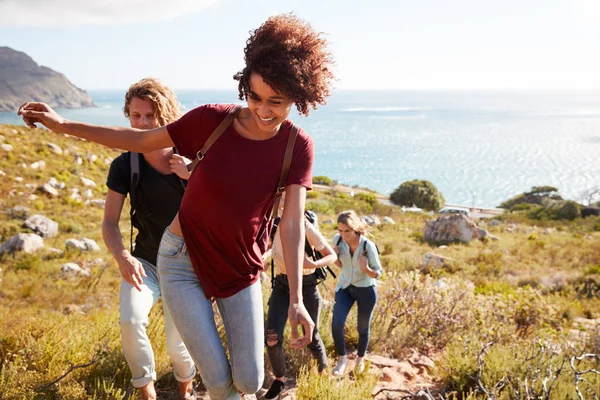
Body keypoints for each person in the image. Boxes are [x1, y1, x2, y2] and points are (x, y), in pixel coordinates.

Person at [19, 13, 335, 400]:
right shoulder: (211, 122)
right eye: (254, 97)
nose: (263, 111)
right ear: (243, 86)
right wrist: (64, 124)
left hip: (240, 266)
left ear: (298, 98)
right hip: (181, 259)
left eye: (277, 102)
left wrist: (298, 301)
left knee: (250, 381)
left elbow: (291, 223)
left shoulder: (296, 145)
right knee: (219, 382)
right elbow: (138, 139)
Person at [102, 78, 195, 400]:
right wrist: (123, 258)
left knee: (177, 343)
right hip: (145, 263)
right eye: (135, 116)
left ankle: (185, 388)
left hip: (188, 267)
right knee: (130, 319)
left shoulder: (193, 157)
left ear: (166, 115)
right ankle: (147, 391)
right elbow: (109, 223)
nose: (141, 124)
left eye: (149, 116)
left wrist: (193, 174)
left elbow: (224, 207)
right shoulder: (125, 164)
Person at [264, 203, 337, 400]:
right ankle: (279, 381)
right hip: (281, 286)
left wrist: (313, 263)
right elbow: (271, 250)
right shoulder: (272, 223)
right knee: (271, 338)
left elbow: (332, 255)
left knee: (312, 336)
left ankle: (323, 375)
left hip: (307, 286)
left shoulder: (304, 225)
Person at [331, 210, 383, 376]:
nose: (343, 234)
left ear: (355, 229)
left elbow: (378, 272)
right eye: (340, 230)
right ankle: (342, 359)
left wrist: (366, 268)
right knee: (337, 324)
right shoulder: (337, 240)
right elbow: (341, 266)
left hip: (366, 290)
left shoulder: (368, 246)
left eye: (347, 231)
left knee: (362, 328)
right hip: (345, 287)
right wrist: (336, 258)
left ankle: (360, 360)